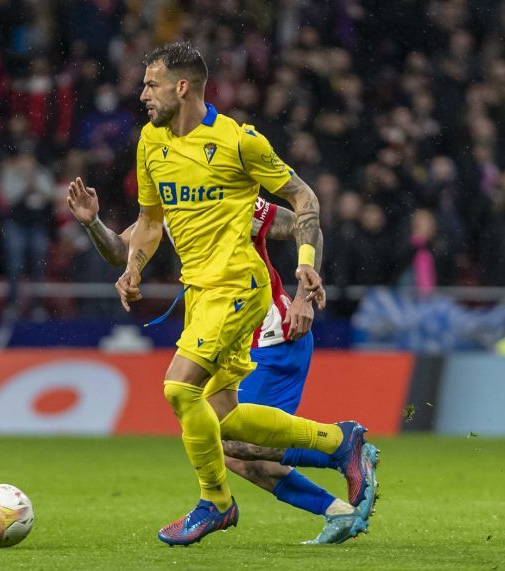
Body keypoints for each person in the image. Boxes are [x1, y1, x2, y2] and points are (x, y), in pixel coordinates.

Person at [83, 42, 376, 546]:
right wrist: (131, 266)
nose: (142, 94)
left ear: (182, 87)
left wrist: (306, 271)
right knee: (225, 423)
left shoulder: (238, 143)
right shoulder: (151, 143)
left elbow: (303, 199)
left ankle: (215, 504)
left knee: (179, 390)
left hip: (242, 290)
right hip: (200, 294)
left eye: (151, 84)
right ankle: (338, 442)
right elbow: (149, 222)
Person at [68, 180, 379, 544]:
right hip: (233, 337)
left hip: (271, 336)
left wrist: (303, 298)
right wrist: (92, 222)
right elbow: (123, 249)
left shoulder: (224, 200)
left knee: (225, 436)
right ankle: (338, 507)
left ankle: (341, 447)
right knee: (229, 447)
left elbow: (304, 224)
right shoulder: (172, 204)